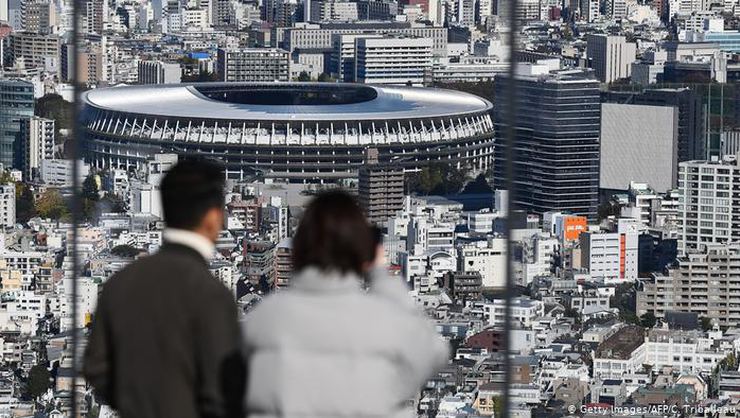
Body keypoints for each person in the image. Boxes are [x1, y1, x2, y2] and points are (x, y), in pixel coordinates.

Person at [242, 190, 450, 418]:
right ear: (363, 253)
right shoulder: (386, 320)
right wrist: (382, 275)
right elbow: (434, 351)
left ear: (298, 250)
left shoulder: (260, 321)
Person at [84, 159, 245, 418]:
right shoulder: (212, 293)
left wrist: (135, 400)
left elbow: (95, 365)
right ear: (213, 217)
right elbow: (221, 388)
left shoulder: (121, 283)